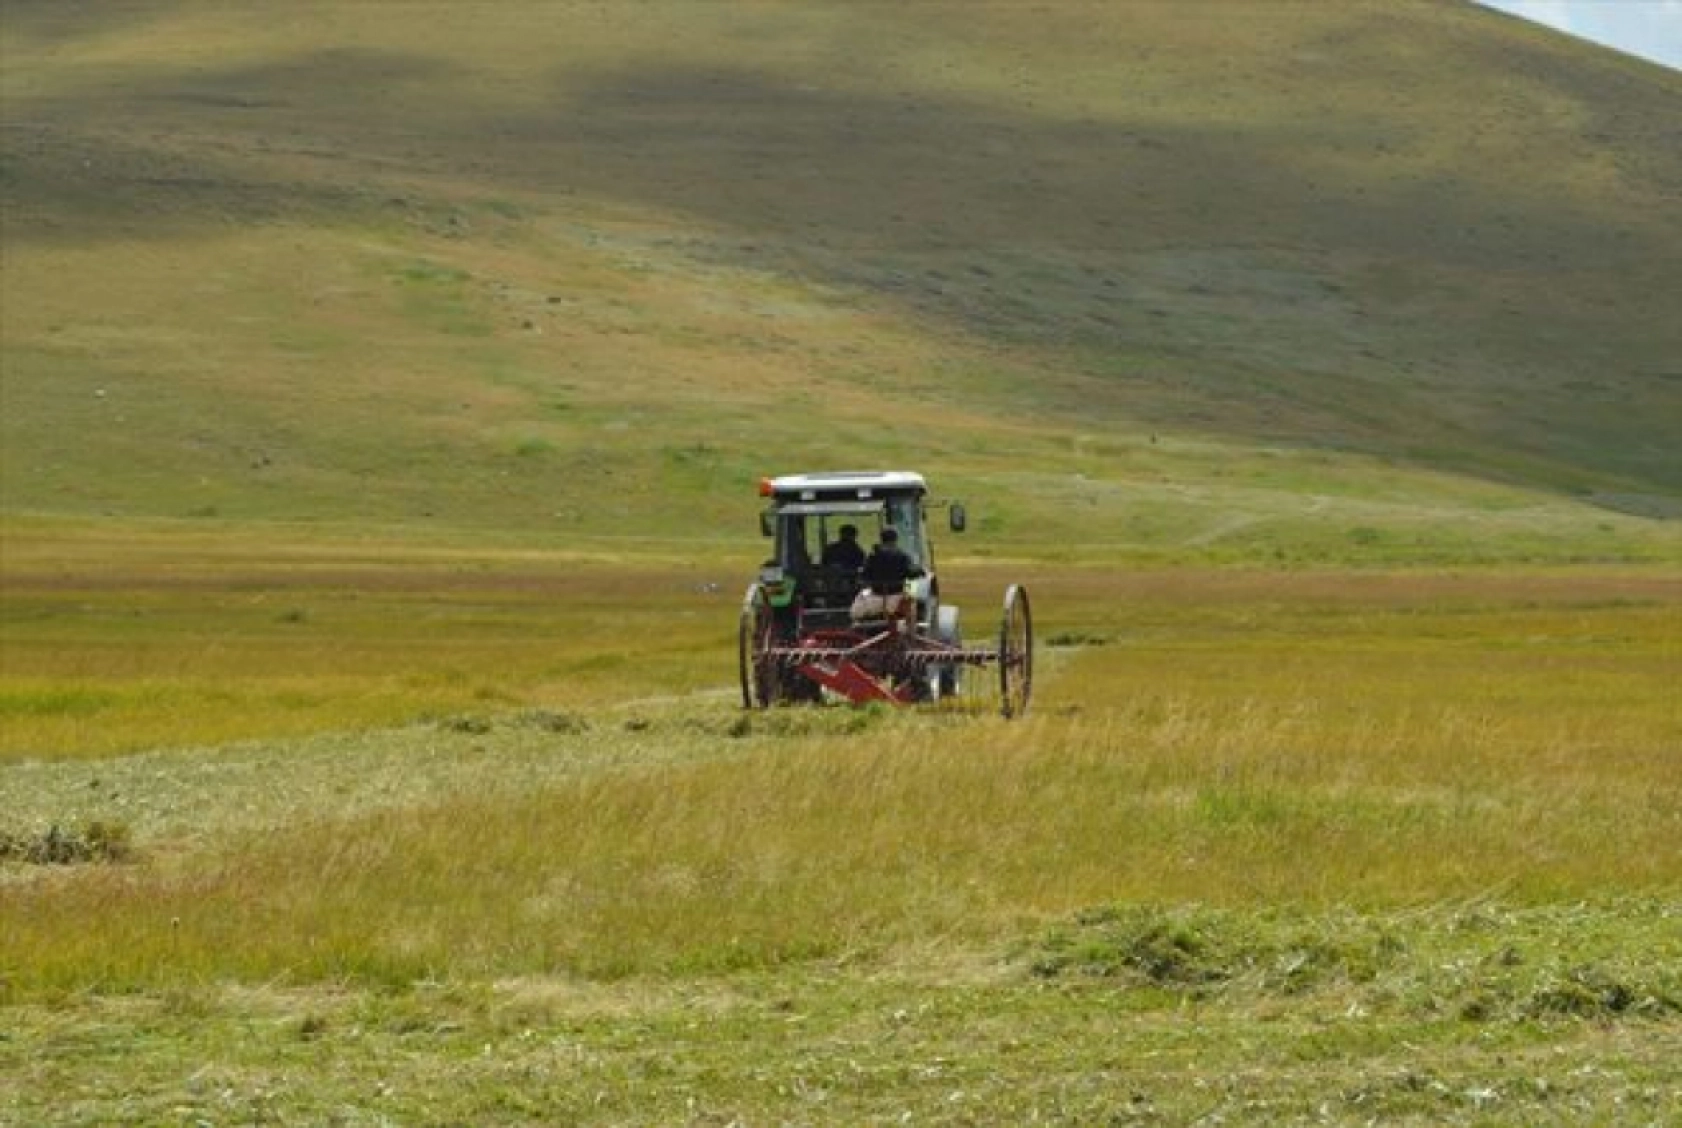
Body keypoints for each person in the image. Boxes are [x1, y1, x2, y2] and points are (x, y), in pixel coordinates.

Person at [851, 527, 925, 621]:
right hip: (896, 592)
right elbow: (911, 573)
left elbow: (865, 575)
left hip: (877, 592)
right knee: (912, 586)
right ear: (895, 539)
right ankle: (912, 626)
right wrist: (920, 571)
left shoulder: (873, 556)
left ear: (881, 539)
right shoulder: (901, 555)